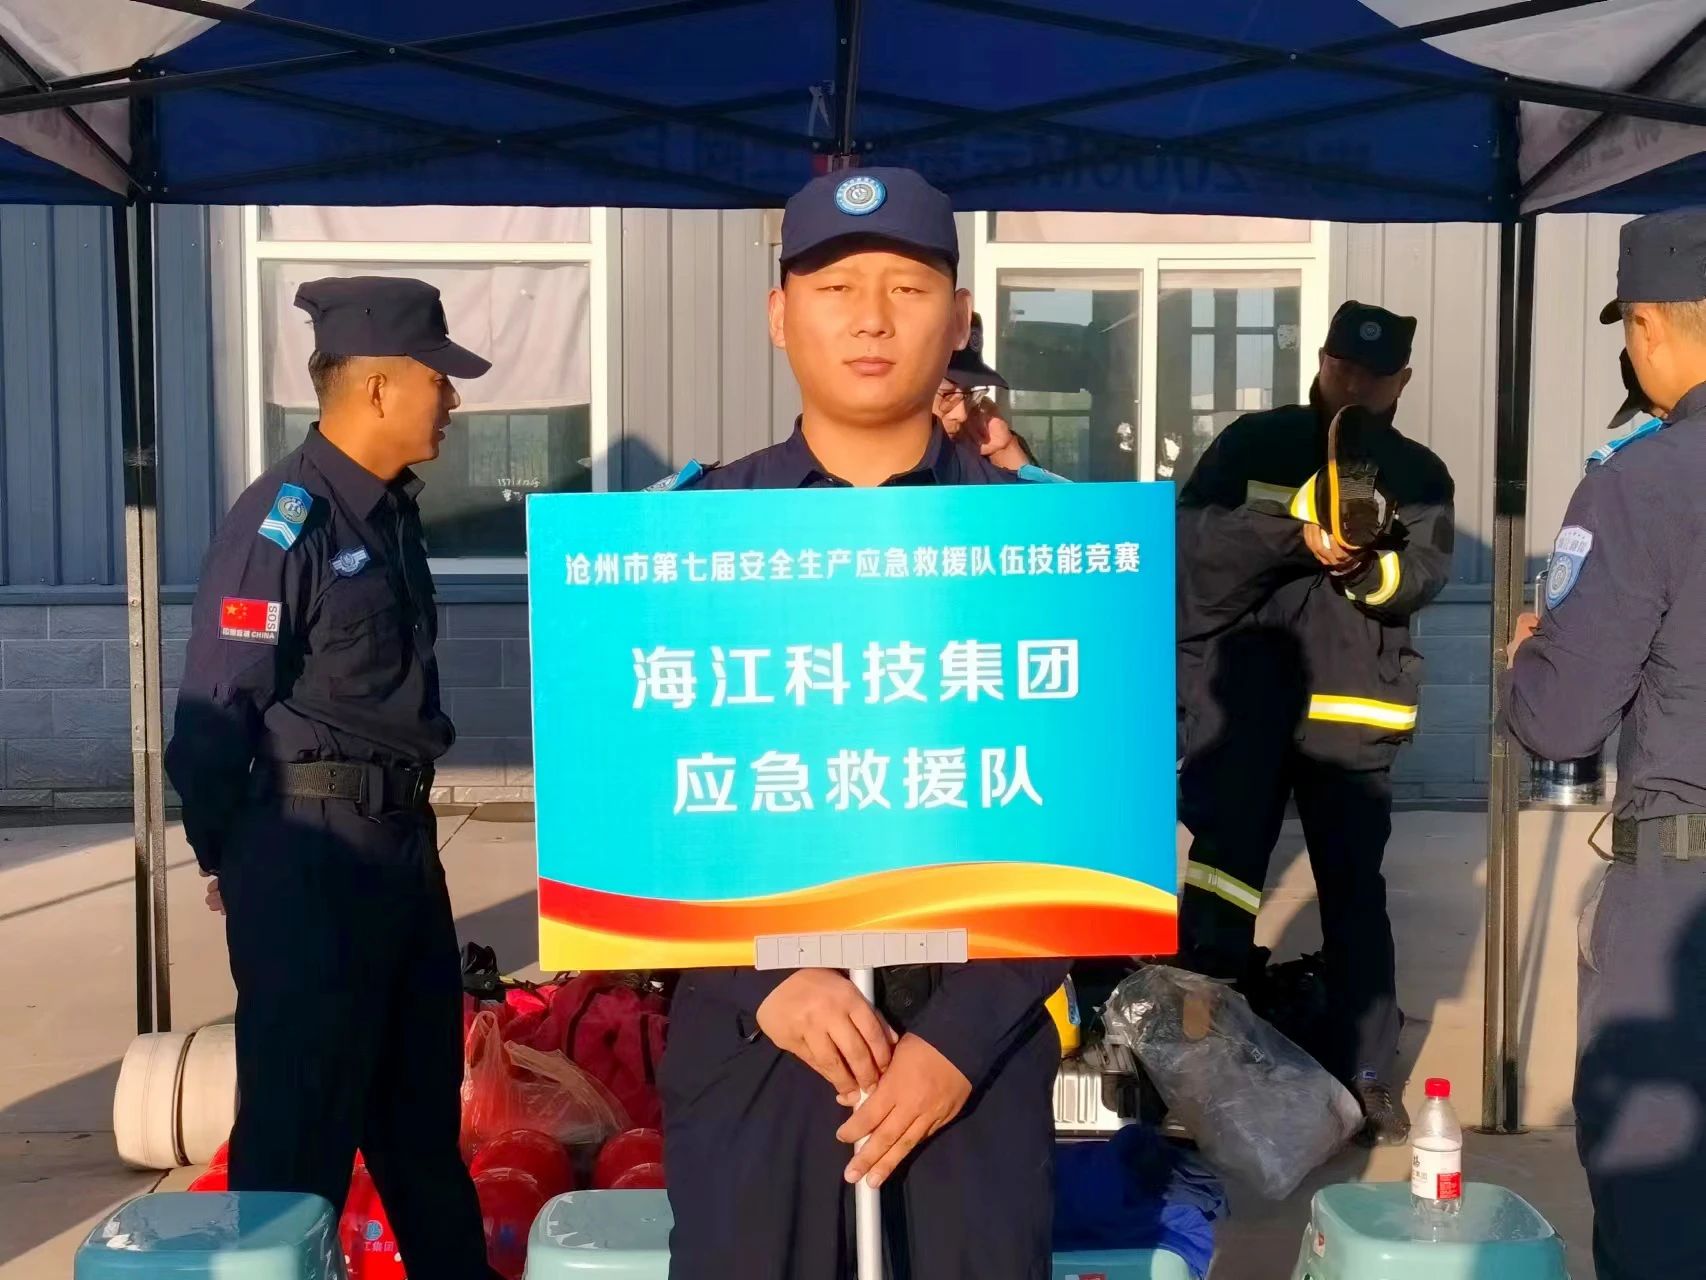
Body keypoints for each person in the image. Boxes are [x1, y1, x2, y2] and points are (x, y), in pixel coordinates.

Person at [654, 167, 1068, 1279]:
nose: (872, 317)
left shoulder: (1052, 546)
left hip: (973, 1046)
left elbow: (1098, 819)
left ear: (961, 317)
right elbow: (627, 801)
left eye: (907, 287)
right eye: (834, 288)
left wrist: (957, 1040)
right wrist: (764, 979)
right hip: (755, 1038)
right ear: (778, 314)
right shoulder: (683, 536)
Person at [165, 277, 499, 1279]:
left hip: (400, 851)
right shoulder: (283, 522)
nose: (453, 399)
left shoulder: (389, 516)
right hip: (310, 860)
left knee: (419, 1125)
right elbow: (213, 714)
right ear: (380, 387)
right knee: (296, 1141)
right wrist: (233, 856)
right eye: (439, 379)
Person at [1174, 301, 1455, 1144]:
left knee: (1353, 893)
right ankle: (1198, 1068)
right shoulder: (1252, 444)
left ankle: (1367, 1073)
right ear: (1321, 359)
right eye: (1342, 366)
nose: (1354, 383)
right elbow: (1192, 548)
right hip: (1243, 708)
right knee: (1222, 880)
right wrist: (1293, 537)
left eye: (1374, 374)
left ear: (1403, 381)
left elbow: (1420, 577)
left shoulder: (1419, 473)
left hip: (1349, 713)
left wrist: (1364, 560)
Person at [1503, 208, 1706, 1280]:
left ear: (1646, 326)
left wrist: (1530, 653)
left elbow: (1561, 719)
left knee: (1664, 1210)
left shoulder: (1641, 481)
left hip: (1682, 903)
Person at [934, 311, 1032, 471]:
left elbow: (1041, 488)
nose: (962, 415)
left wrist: (1003, 449)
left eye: (968, 395)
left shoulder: (964, 453)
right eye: (948, 396)